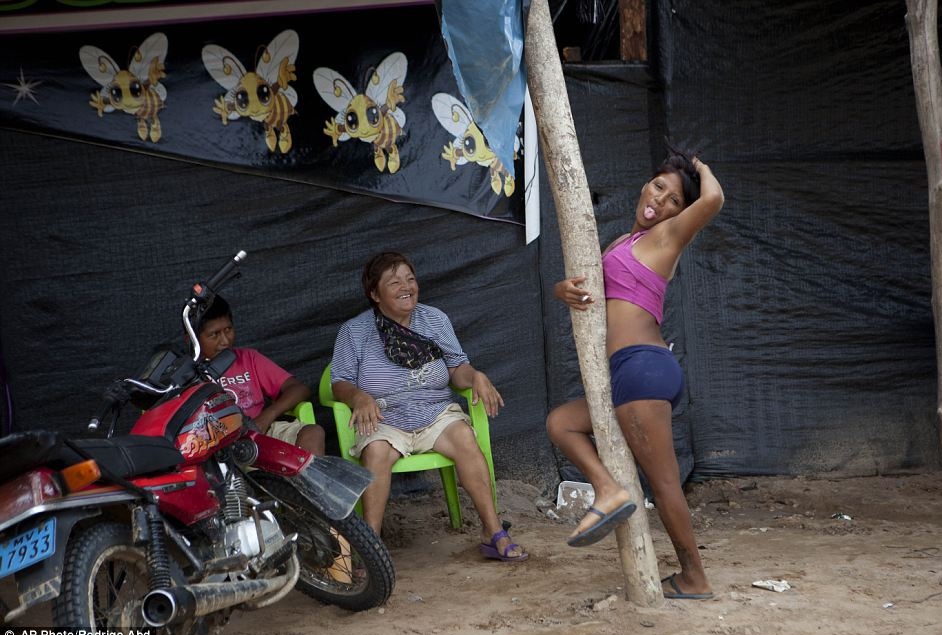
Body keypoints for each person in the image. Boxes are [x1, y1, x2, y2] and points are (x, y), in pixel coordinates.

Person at [546, 142, 723, 599]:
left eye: (673, 200)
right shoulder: (622, 243)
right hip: (629, 373)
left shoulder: (667, 237)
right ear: (646, 183)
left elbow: (713, 199)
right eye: (659, 187)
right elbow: (595, 295)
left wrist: (698, 166)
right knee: (562, 423)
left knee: (664, 486)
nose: (660, 201)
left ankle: (694, 577)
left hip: (642, 367)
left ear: (678, 213)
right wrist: (563, 290)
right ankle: (607, 488)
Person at [329, 251, 527, 562]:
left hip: (434, 413)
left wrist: (475, 376)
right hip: (384, 418)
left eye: (410, 279)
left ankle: (493, 532)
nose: (406, 287)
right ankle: (371, 548)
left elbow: (456, 369)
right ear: (374, 294)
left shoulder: (434, 319)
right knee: (376, 451)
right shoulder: (355, 331)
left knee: (464, 438)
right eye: (394, 282)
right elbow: (339, 381)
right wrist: (358, 397)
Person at [197, 295, 326, 455]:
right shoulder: (188, 373)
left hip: (261, 433)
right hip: (217, 447)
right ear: (191, 339)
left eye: (228, 330)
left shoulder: (248, 358)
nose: (225, 341)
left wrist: (267, 416)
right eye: (214, 334)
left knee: (313, 433)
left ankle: (305, 474)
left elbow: (299, 389)